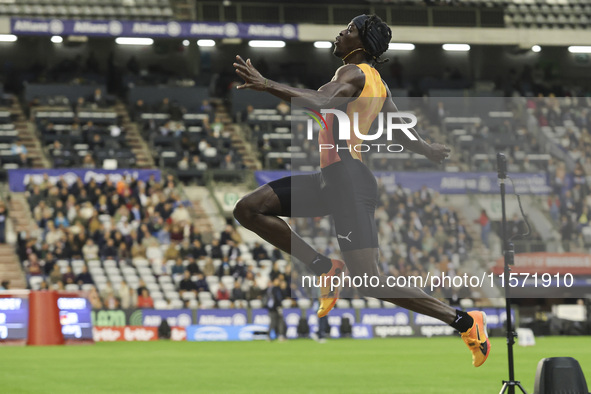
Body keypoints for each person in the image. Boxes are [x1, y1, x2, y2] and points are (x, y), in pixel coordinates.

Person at [233, 14, 489, 367]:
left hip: (349, 180)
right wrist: (427, 148)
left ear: (363, 43)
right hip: (331, 178)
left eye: (350, 29)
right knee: (249, 209)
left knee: (370, 281)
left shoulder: (352, 74)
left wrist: (266, 84)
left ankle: (465, 321)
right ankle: (324, 267)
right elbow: (398, 128)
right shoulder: (378, 84)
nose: (341, 33)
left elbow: (321, 102)